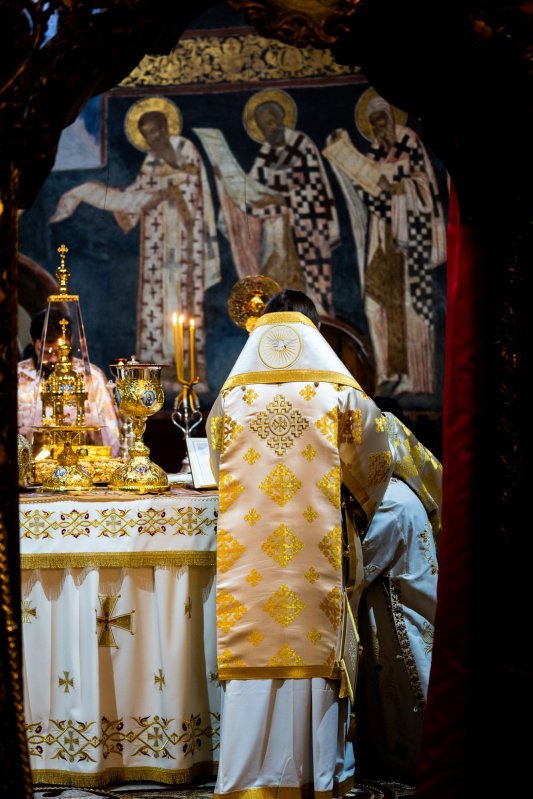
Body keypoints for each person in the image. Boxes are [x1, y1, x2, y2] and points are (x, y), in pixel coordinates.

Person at [207, 289, 393, 799]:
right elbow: (375, 462)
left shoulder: (234, 397)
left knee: (253, 645)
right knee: (317, 650)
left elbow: (218, 455)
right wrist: (356, 504)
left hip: (251, 552)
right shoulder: (339, 394)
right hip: (318, 549)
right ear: (312, 330)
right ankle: (317, 772)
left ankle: (249, 776)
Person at [49, 98, 220, 392]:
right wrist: (90, 193)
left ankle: (190, 372)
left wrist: (168, 189)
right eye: (147, 134)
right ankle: (160, 370)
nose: (153, 138)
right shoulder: (152, 160)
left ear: (166, 127)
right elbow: (135, 196)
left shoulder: (184, 149)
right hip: (155, 244)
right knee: (157, 303)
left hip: (184, 244)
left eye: (155, 130)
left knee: (182, 301)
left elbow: (192, 190)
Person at [323, 89, 447, 397]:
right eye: (374, 124)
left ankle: (414, 377)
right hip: (381, 237)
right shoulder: (377, 153)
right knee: (376, 302)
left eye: (382, 121)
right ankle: (389, 371)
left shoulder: (409, 143)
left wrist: (394, 187)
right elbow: (366, 187)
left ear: (391, 119)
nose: (379, 128)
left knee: (403, 304)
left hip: (408, 239)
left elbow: (424, 186)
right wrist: (343, 157)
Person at [355, 408, 442, 784]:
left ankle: (417, 761)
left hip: (399, 616)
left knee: (407, 689)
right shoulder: (399, 490)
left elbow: (356, 568)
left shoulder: (388, 502)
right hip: (407, 603)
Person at [197, 90, 340, 315]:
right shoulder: (267, 153)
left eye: (272, 121)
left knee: (309, 301)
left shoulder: (301, 145)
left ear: (282, 118)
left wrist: (281, 199)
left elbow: (316, 193)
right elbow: (251, 192)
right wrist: (225, 179)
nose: (269, 128)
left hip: (304, 235)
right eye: (264, 126)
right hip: (274, 235)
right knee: (272, 293)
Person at [18, 308, 122, 457]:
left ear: (71, 340)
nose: (54, 359)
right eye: (46, 352)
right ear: (34, 342)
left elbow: (113, 437)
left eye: (59, 352)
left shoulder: (92, 378)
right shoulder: (15, 378)